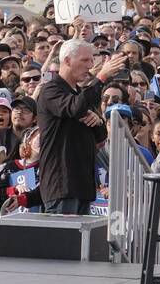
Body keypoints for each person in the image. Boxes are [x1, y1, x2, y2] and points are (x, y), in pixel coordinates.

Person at [36, 35, 125, 214]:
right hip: (62, 185)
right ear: (67, 60)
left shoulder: (81, 94)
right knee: (65, 241)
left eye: (92, 61)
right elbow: (74, 108)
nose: (90, 66)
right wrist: (101, 78)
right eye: (85, 60)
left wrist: (98, 121)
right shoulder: (51, 90)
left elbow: (100, 135)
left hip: (82, 186)